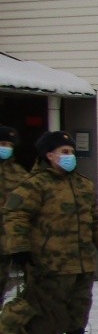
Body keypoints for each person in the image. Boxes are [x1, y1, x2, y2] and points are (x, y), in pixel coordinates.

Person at [0, 130, 98, 334]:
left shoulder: (83, 184)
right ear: (49, 155)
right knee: (51, 309)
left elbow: (94, 218)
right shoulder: (34, 185)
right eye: (64, 152)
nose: (69, 156)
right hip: (49, 260)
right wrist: (19, 249)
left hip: (81, 259)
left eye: (71, 152)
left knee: (80, 304)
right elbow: (15, 216)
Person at [0, 126, 27, 300]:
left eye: (9, 144)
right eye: (2, 143)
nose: (6, 147)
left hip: (6, 241)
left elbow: (27, 205)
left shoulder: (19, 174)